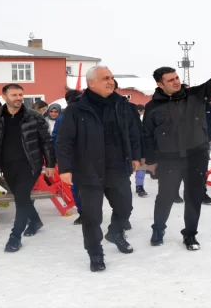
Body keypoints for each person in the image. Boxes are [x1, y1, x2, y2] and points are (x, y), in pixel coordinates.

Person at [143, 42, 211, 251]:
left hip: (196, 155)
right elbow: (147, 136)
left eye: (176, 78)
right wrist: (150, 161)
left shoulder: (196, 95)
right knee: (165, 196)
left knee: (193, 197)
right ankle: (158, 229)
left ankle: (190, 234)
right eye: (170, 80)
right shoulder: (152, 107)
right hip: (168, 158)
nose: (176, 82)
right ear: (159, 84)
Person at [56, 66, 141, 272]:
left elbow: (133, 132)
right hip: (88, 170)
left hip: (118, 168)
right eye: (105, 78)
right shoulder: (76, 109)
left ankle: (115, 232)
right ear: (91, 83)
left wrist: (136, 156)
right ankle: (95, 253)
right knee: (92, 216)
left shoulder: (121, 105)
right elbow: (64, 140)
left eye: (111, 77)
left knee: (125, 208)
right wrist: (65, 168)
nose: (110, 81)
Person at [0, 84, 56, 253]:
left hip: (30, 164)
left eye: (21, 95)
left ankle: (15, 237)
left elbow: (46, 141)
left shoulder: (34, 117)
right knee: (20, 197)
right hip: (7, 165)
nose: (18, 98)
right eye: (14, 95)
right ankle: (35, 221)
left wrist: (50, 164)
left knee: (21, 198)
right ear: (4, 96)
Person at [52, 89, 83, 225]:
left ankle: (84, 212)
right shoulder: (91, 112)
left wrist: (57, 156)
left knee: (77, 186)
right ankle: (87, 212)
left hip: (72, 158)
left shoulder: (63, 116)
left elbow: (56, 138)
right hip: (85, 156)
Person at [133, 104, 148, 197]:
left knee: (142, 167)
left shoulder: (142, 121)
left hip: (141, 148)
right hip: (133, 148)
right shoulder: (130, 120)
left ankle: (139, 186)